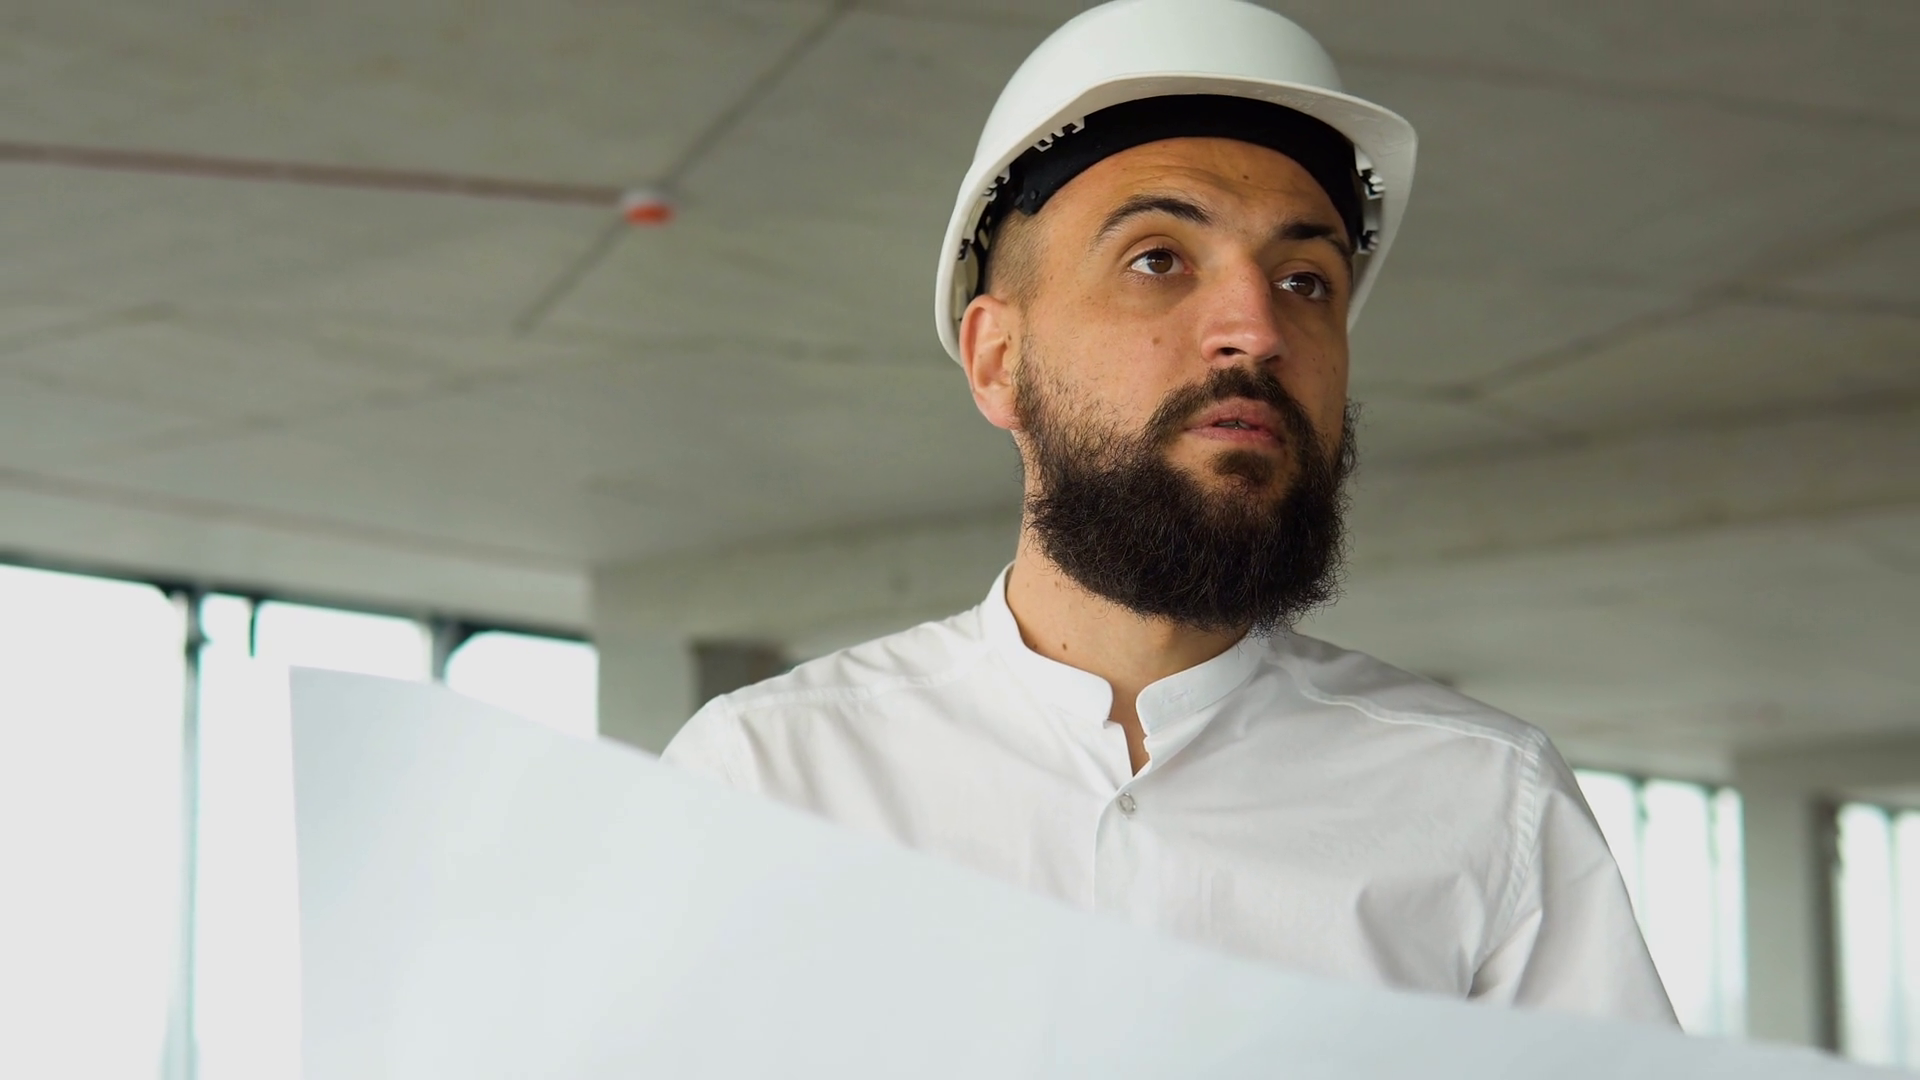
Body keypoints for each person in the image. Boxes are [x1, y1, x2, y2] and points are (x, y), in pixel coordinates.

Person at [664, 0, 1675, 1026]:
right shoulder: (770, 778)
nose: (1257, 329)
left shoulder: (1485, 802)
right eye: (1159, 259)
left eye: (1306, 280)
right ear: (998, 360)